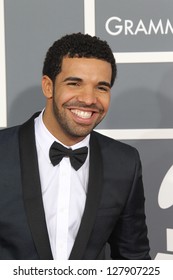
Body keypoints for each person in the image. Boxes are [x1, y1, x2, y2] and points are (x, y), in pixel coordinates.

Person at [0, 33, 150, 260]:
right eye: (74, 83)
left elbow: (134, 260)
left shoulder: (124, 163)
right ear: (48, 87)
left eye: (101, 88)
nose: (89, 99)